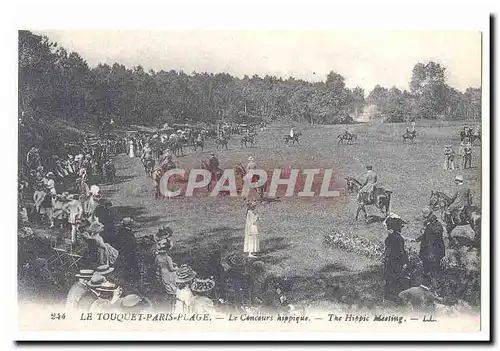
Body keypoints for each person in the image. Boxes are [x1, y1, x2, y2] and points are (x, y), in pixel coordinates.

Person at [408, 207, 445, 289]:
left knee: (433, 270)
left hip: (433, 253)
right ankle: (427, 286)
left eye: (428, 217)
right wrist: (416, 239)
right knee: (427, 269)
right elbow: (425, 235)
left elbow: (436, 235)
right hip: (428, 252)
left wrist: (429, 227)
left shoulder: (437, 225)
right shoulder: (430, 225)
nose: (426, 219)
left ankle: (435, 287)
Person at [383, 213, 409, 302]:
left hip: (389, 259)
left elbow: (387, 246)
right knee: (395, 276)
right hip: (396, 260)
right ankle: (392, 294)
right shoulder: (399, 238)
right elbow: (401, 251)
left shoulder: (390, 237)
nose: (401, 228)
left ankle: (387, 294)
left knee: (389, 276)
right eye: (401, 227)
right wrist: (406, 260)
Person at [155, 238, 178, 311]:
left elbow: (158, 265)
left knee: (166, 286)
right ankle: (172, 301)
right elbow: (171, 268)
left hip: (162, 272)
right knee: (172, 284)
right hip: (168, 274)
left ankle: (168, 297)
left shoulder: (157, 257)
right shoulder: (168, 258)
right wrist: (177, 268)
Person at [114, 217, 140, 282]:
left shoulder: (121, 231)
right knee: (131, 264)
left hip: (125, 251)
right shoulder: (127, 232)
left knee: (128, 264)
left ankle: (129, 277)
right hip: (129, 251)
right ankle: (133, 278)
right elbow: (131, 242)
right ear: (129, 224)